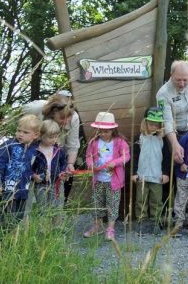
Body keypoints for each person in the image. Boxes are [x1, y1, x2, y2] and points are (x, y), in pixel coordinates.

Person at [24, 92, 80, 203]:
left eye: (68, 117)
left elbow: (72, 145)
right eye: (62, 117)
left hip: (54, 155)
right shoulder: (36, 109)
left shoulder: (74, 118)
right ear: (53, 112)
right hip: (34, 153)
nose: (65, 121)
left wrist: (70, 164)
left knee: (55, 198)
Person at [83, 112, 130, 240]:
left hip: (113, 181)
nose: (103, 134)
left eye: (106, 131)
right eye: (100, 131)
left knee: (112, 204)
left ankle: (110, 228)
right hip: (98, 180)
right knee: (97, 203)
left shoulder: (120, 142)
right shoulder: (94, 142)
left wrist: (115, 163)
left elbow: (126, 156)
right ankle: (97, 226)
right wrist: (91, 164)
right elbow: (88, 156)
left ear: (113, 130)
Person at [0, 114, 42, 228]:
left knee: (18, 217)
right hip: (6, 189)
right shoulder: (9, 145)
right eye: (18, 130)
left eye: (25, 132)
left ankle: (9, 239)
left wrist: (36, 175)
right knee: (4, 218)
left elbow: (32, 168)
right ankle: (0, 240)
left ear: (36, 135)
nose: (20, 134)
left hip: (23, 190)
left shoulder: (35, 150)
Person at [131, 107, 168, 235]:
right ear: (145, 122)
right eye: (151, 123)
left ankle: (155, 221)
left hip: (157, 176)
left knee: (156, 200)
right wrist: (134, 173)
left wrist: (166, 173)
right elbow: (134, 156)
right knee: (141, 200)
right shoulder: (139, 138)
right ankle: (141, 221)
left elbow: (167, 158)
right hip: (141, 176)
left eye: (156, 124)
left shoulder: (163, 139)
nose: (153, 126)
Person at [156, 60, 188, 165]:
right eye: (178, 80)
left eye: (185, 80)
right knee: (178, 164)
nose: (182, 84)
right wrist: (175, 144)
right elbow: (167, 121)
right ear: (171, 75)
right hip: (172, 135)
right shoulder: (163, 93)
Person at [31, 119, 68, 226]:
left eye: (56, 136)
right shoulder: (35, 150)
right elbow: (28, 167)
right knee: (42, 207)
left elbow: (63, 164)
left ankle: (56, 228)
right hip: (40, 185)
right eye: (50, 137)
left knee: (56, 206)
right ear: (41, 135)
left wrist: (63, 172)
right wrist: (34, 175)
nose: (53, 139)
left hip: (56, 183)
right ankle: (43, 229)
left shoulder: (58, 150)